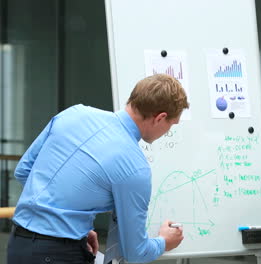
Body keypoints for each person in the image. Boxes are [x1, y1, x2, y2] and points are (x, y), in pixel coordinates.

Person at [7, 74, 189, 264]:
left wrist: (75, 226)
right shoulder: (135, 167)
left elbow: (24, 170)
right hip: (59, 255)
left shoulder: (74, 113)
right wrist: (164, 242)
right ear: (160, 118)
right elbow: (135, 252)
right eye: (171, 125)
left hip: (18, 244)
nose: (168, 131)